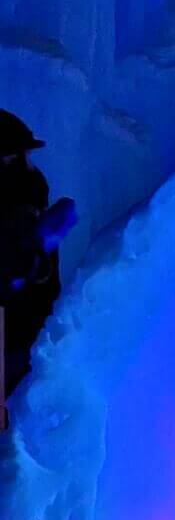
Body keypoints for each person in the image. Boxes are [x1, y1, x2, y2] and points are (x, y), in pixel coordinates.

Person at [0, 111, 76, 398]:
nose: (28, 166)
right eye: (15, 157)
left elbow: (36, 274)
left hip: (28, 332)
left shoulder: (29, 191)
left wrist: (41, 249)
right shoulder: (19, 197)